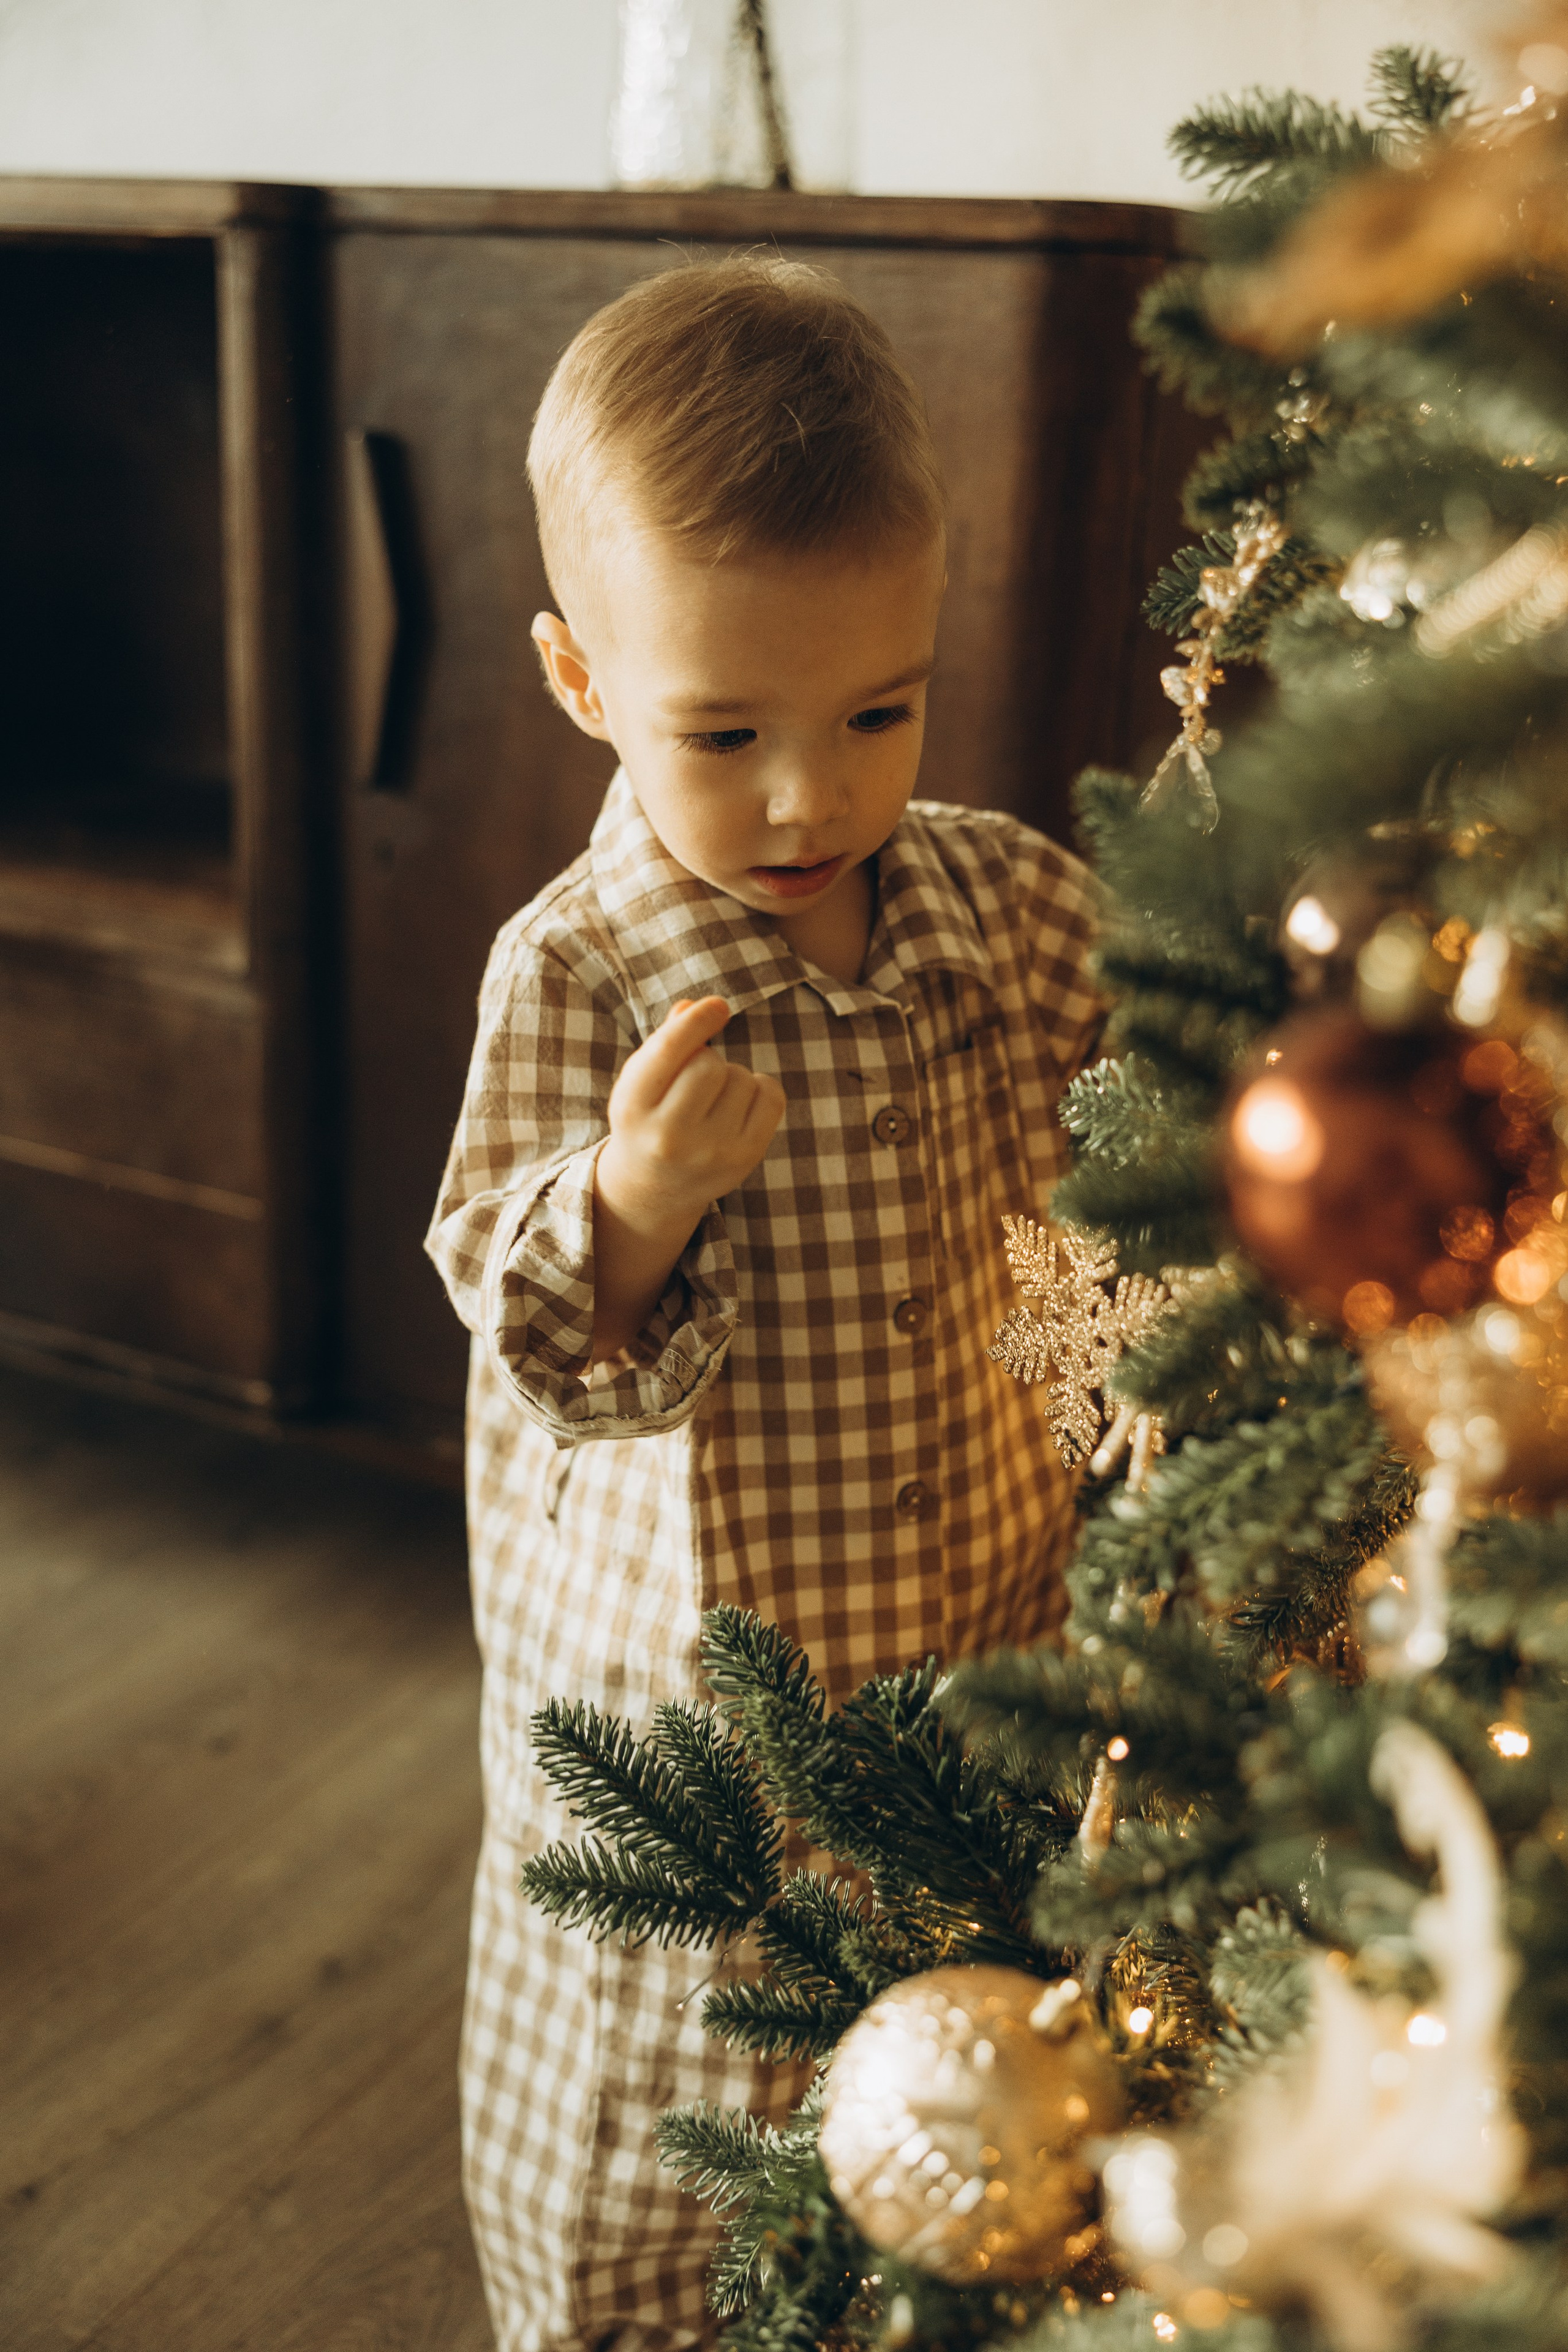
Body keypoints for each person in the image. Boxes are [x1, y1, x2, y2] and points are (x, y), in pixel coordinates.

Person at [425, 255, 1100, 2352]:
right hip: (700, 1726)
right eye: (727, 733)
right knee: (669, 2097)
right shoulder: (582, 969)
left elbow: (1120, 1155)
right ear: (582, 679)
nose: (813, 794)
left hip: (990, 1616)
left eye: (878, 713)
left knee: (961, 2050)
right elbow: (521, 1311)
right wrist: (633, 1200)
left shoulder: (1006, 904)